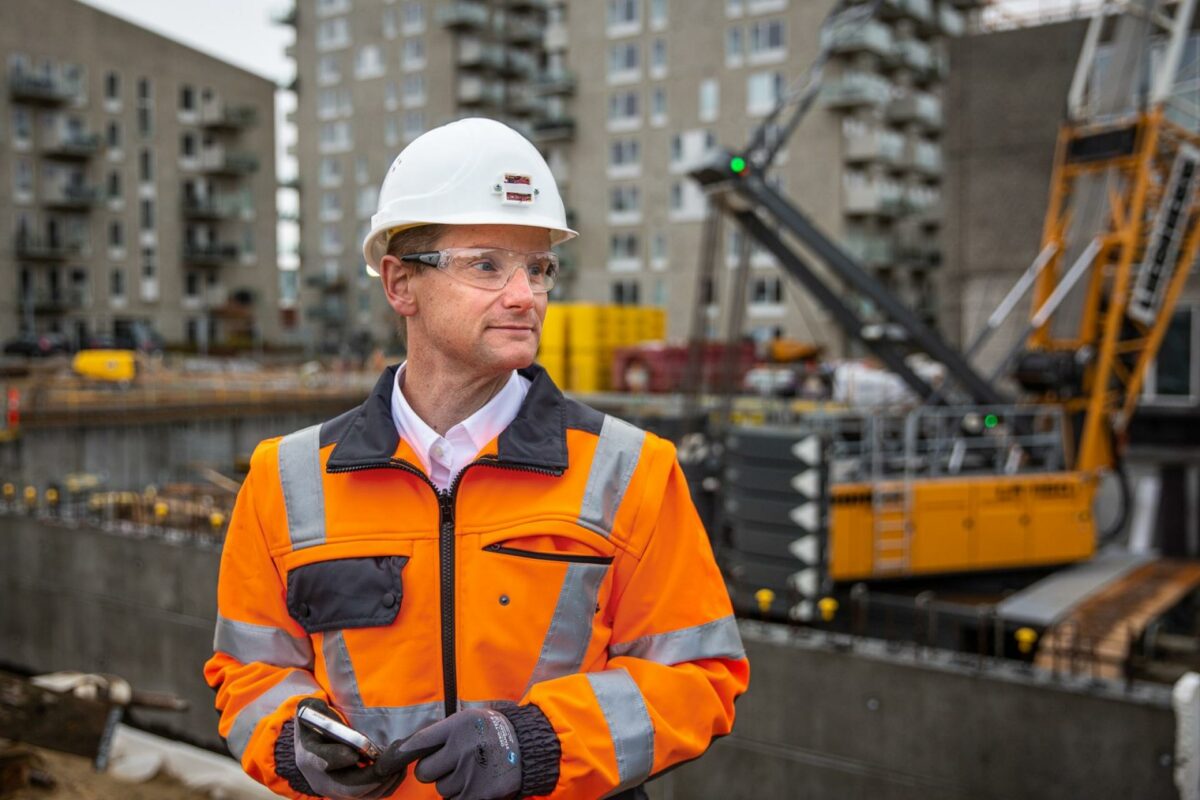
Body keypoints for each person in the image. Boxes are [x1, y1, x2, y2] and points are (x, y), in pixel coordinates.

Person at [204, 118, 749, 800]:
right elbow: (249, 672)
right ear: (401, 285)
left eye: (538, 268)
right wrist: (293, 743)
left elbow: (700, 676)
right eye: (487, 265)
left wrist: (541, 743)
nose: (525, 295)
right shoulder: (284, 480)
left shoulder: (632, 469)